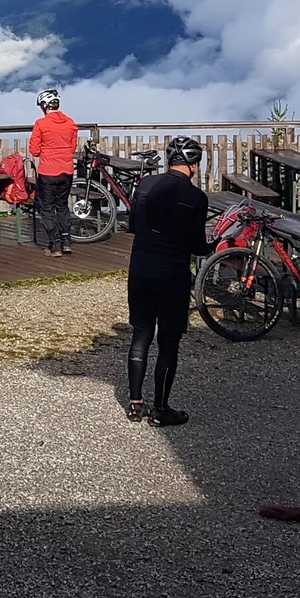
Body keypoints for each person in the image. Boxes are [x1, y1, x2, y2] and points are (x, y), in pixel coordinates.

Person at [123, 135, 211, 426]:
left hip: (141, 270)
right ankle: (160, 409)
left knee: (141, 335)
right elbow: (198, 246)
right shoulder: (197, 198)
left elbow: (133, 225)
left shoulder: (145, 185)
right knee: (168, 342)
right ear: (193, 165)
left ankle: (135, 404)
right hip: (173, 275)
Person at [29, 88, 80, 257]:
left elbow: (34, 150)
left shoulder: (41, 124)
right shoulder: (71, 123)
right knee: (62, 206)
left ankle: (54, 245)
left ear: (44, 106)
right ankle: (66, 242)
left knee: (47, 208)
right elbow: (72, 147)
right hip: (67, 170)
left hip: (48, 171)